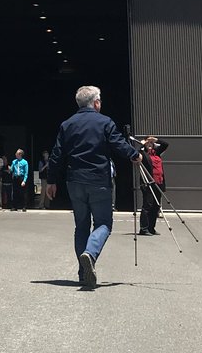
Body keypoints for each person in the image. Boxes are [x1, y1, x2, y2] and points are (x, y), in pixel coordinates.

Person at [45, 86, 140, 287]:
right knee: (103, 223)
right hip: (98, 180)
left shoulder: (67, 124)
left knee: (81, 226)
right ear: (96, 103)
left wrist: (51, 181)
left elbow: (56, 154)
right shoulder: (105, 122)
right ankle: (90, 253)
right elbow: (118, 143)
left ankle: (83, 272)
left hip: (74, 181)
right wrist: (134, 154)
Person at [138, 136, 169, 236]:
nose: (150, 145)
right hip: (148, 183)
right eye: (148, 143)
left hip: (159, 183)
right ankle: (144, 229)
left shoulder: (157, 153)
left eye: (151, 143)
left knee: (156, 206)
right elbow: (136, 154)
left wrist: (156, 140)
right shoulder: (143, 154)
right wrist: (142, 145)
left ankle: (151, 228)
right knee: (148, 205)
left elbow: (165, 145)